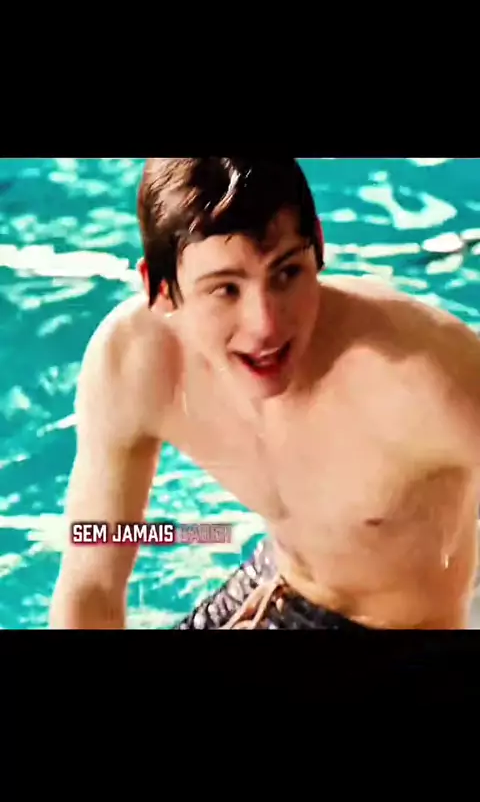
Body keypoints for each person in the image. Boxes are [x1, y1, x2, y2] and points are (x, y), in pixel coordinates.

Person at [49, 158, 480, 630]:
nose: (266, 326)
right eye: (226, 290)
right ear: (161, 289)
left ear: (318, 245)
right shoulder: (135, 361)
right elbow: (91, 583)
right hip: (274, 584)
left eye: (287, 273)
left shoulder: (423, 380)